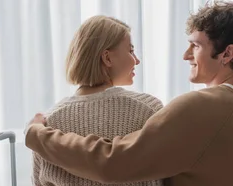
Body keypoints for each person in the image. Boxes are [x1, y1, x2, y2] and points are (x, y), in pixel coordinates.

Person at [24, 2, 233, 186]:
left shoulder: (202, 107)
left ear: (227, 53)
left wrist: (38, 135)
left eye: (195, 45)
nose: (185, 55)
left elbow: (113, 162)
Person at [30, 15, 165, 186]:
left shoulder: (47, 123)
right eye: (130, 51)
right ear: (107, 58)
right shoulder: (148, 109)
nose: (136, 60)